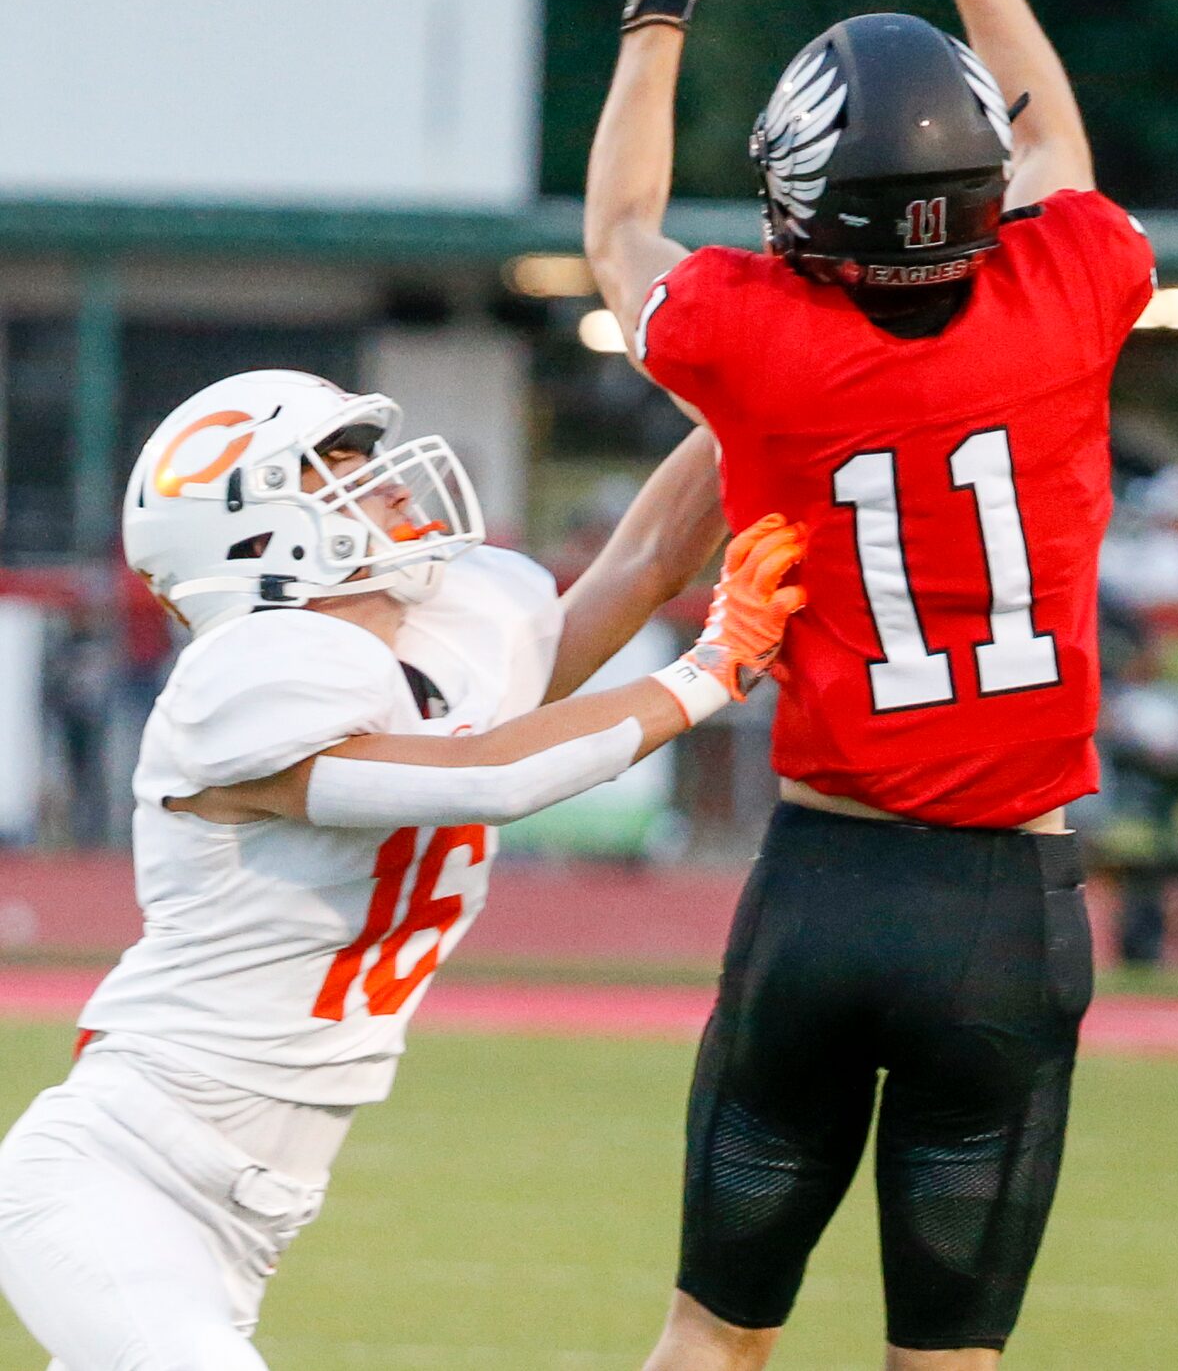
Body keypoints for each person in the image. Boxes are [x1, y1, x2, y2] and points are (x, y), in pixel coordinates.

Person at [583, 0, 1157, 1371]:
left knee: (709, 1334)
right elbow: (1059, 153)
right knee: (948, 1365)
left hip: (825, 883)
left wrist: (653, 11)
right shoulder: (1066, 290)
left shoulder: (756, 342)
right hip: (1012, 905)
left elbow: (622, 228)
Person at [0, 367, 805, 1371]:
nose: (383, 482)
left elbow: (639, 564)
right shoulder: (244, 683)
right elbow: (490, 775)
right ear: (256, 537)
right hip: (120, 1177)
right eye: (335, 469)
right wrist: (710, 668)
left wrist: (761, 387)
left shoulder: (447, 641)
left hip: (248, 1218)